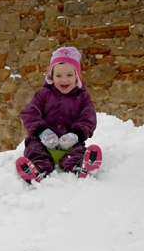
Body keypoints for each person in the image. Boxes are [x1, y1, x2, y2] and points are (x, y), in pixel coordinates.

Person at [16, 47, 103, 183]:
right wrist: (42, 132)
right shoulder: (43, 94)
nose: (64, 80)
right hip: (43, 142)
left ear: (77, 76)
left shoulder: (83, 98)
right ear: (51, 76)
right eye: (58, 76)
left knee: (77, 152)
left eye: (69, 75)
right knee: (34, 150)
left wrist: (74, 135)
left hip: (70, 143)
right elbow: (30, 113)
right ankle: (37, 169)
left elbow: (88, 119)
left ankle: (80, 167)